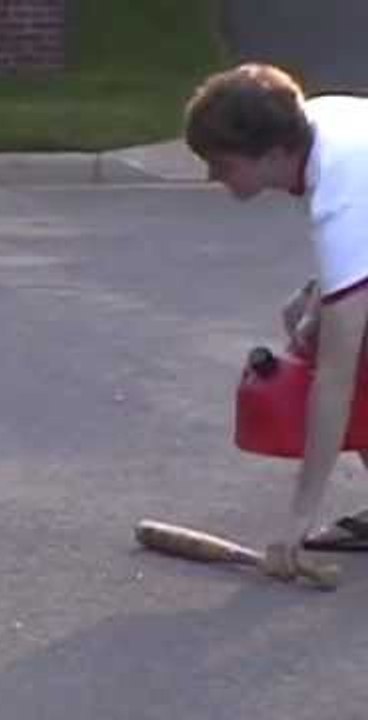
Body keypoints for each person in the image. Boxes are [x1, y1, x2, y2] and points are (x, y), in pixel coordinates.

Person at [184, 63, 368, 580]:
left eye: (222, 163)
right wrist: (317, 299)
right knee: (316, 322)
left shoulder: (341, 189)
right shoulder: (315, 129)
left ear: (271, 155)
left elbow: (334, 379)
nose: (212, 176)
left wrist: (298, 520)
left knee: (343, 352)